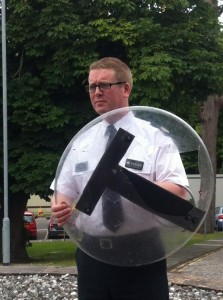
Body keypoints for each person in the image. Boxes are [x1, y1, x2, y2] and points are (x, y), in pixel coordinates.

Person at [51, 57, 189, 300]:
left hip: (142, 255)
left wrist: (126, 186)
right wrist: (60, 206)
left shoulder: (155, 138)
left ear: (126, 88)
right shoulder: (80, 142)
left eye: (104, 85)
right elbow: (63, 191)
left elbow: (177, 190)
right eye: (92, 87)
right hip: (91, 255)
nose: (96, 92)